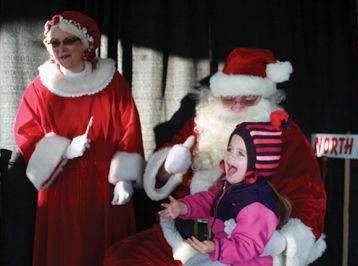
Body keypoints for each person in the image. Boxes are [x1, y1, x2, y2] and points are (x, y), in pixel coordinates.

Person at [104, 47, 326, 265]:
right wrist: (170, 167)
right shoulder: (204, 122)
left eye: (248, 99)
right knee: (121, 257)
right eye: (229, 99)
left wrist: (281, 242)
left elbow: (308, 196)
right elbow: (199, 194)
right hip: (185, 235)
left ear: (265, 96)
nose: (237, 107)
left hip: (241, 246)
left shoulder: (283, 135)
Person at [14, 10, 144, 266]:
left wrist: (125, 178)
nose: (61, 49)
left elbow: (130, 128)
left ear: (84, 43)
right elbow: (25, 134)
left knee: (108, 251)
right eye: (55, 42)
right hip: (61, 188)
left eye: (68, 41)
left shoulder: (112, 83)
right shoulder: (40, 88)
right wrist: (62, 150)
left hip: (106, 186)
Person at [159, 119, 292, 265]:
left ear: (258, 164)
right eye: (230, 149)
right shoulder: (229, 185)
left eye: (241, 153)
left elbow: (245, 247)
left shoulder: (257, 204)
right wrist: (183, 207)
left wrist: (216, 248)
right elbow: (208, 201)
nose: (230, 157)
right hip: (225, 254)